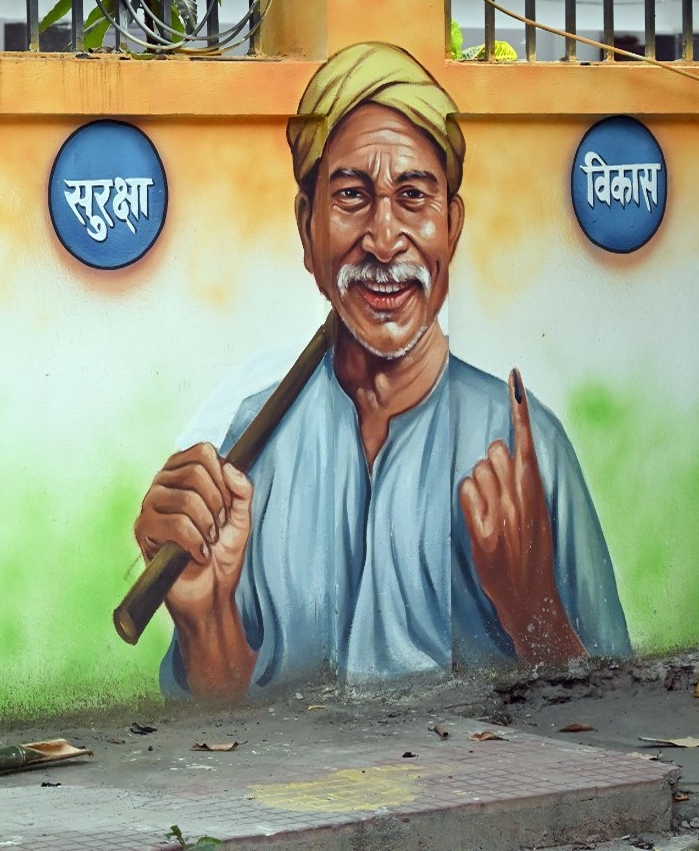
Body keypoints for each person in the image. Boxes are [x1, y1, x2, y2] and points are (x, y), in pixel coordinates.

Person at [133, 42, 630, 700]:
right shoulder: (250, 455)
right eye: (351, 195)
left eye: (413, 195)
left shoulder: (522, 452)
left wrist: (533, 611)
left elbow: (619, 714)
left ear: (451, 226)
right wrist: (206, 620)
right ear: (308, 230)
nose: (385, 237)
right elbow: (216, 733)